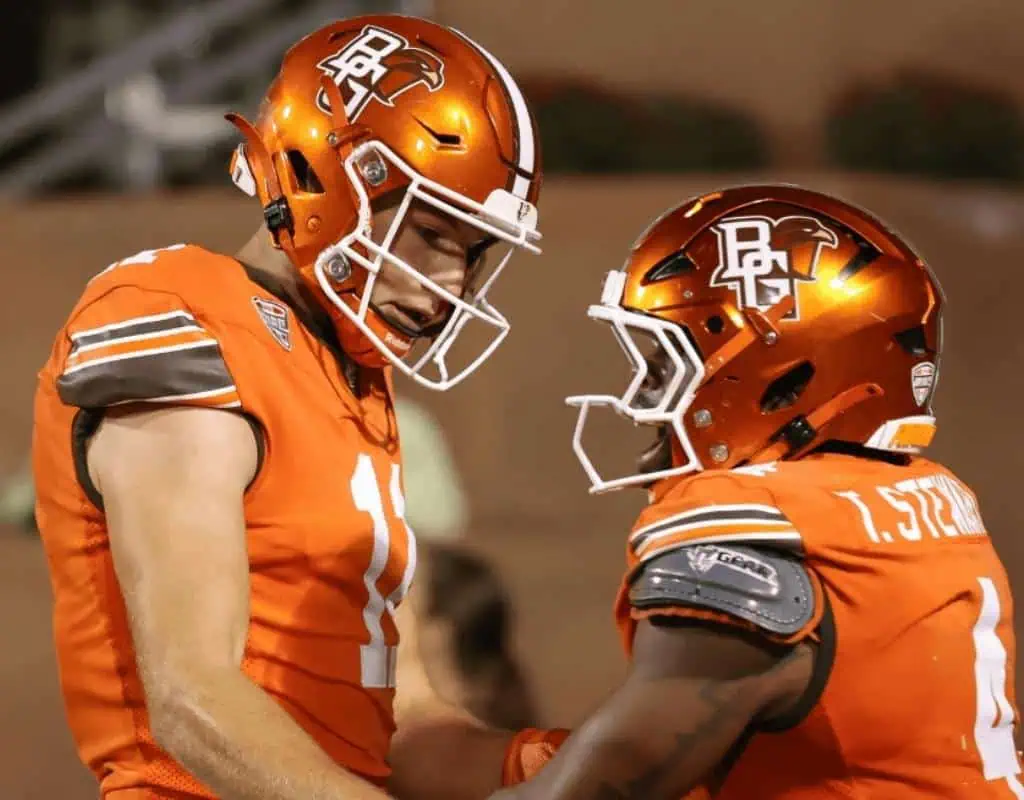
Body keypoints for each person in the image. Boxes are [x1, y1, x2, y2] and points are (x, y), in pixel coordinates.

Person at [32, 13, 542, 799]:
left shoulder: (351, 375)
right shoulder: (175, 312)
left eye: (474, 253)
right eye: (433, 233)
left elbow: (405, 724)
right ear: (327, 180)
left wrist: (586, 767)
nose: (452, 285)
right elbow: (194, 700)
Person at [406, 184, 1021, 799]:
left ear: (779, 375)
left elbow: (606, 787)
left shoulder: (757, 532)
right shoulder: (905, 499)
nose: (643, 397)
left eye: (663, 364)